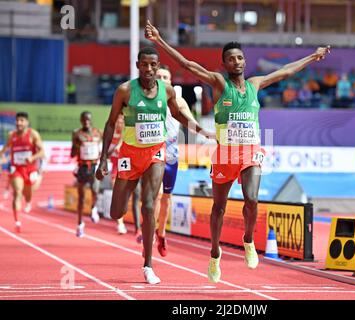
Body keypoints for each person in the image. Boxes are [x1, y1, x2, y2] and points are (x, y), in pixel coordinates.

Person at [145, 20, 330, 283]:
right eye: (231, 59)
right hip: (225, 155)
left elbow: (286, 72)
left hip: (250, 152)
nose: (237, 62)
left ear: (245, 61)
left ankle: (248, 240)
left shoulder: (255, 84)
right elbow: (188, 65)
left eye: (240, 58)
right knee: (218, 207)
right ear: (225, 64)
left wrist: (313, 56)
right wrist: (160, 42)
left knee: (251, 199)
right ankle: (214, 253)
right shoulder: (219, 83)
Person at [95, 45, 214, 284]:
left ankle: (148, 264)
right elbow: (110, 124)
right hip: (129, 154)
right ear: (138, 66)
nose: (149, 69)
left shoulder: (167, 91)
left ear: (157, 66)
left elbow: (180, 115)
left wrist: (202, 131)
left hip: (155, 154)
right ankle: (128, 193)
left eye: (153, 64)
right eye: (145, 64)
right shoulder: (125, 91)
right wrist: (104, 159)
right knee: (116, 211)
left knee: (149, 205)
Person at [152, 65, 196, 257]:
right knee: (156, 195)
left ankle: (161, 233)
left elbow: (191, 122)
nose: (162, 79)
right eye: (159, 76)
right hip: (153, 153)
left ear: (170, 81)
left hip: (171, 155)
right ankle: (150, 231)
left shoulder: (178, 100)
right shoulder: (149, 98)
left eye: (165, 77)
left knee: (166, 199)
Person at [0, 112, 45, 232]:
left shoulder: (33, 134)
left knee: (27, 193)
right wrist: (1, 157)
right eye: (17, 120)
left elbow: (42, 152)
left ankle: (29, 201)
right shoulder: (12, 135)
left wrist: (32, 158)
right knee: (18, 192)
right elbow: (5, 149)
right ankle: (17, 221)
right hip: (17, 169)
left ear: (26, 122)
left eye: (21, 120)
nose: (19, 123)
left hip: (30, 169)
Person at [71, 111, 102, 237]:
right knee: (81, 197)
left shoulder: (98, 132)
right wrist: (77, 145)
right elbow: (72, 154)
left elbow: (102, 147)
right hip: (82, 167)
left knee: (95, 190)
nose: (86, 122)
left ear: (91, 120)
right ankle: (80, 224)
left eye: (88, 119)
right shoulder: (77, 134)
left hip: (94, 166)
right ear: (81, 120)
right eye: (84, 120)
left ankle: (93, 208)